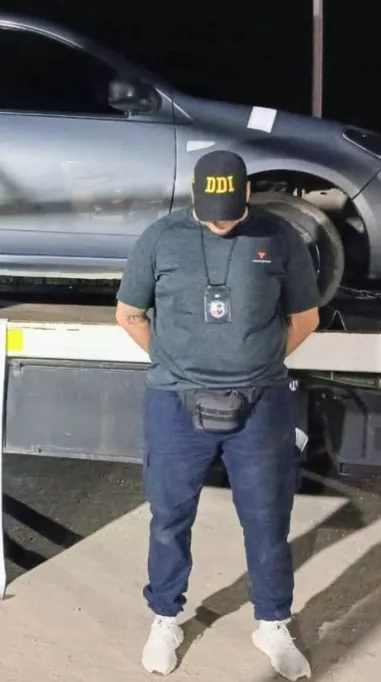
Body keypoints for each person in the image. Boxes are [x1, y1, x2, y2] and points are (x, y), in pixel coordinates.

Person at [115, 150, 320, 680]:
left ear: (248, 194)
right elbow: (129, 312)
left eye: (230, 208)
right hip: (174, 403)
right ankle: (166, 617)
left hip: (261, 402)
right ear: (194, 196)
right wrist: (173, 361)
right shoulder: (161, 238)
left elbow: (305, 315)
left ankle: (272, 624)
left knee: (268, 520)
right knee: (169, 518)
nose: (221, 219)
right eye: (211, 210)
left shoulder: (279, 238)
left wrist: (258, 360)